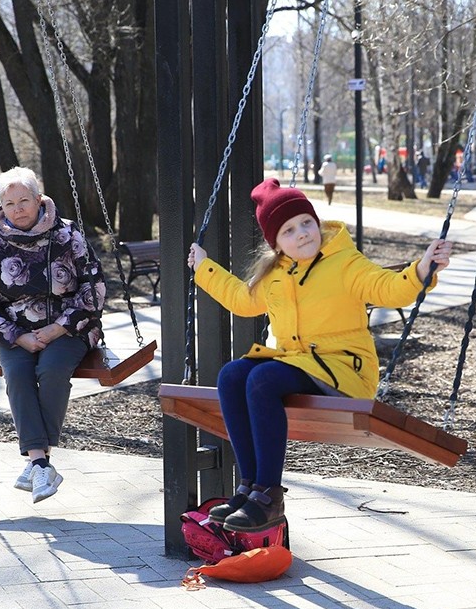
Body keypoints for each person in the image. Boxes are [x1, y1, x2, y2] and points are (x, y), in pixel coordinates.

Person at [186, 178, 451, 532]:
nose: (303, 234)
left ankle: (269, 495)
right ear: (276, 244)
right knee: (232, 375)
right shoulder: (275, 274)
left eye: (307, 223)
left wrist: (421, 270)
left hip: (343, 369)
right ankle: (249, 487)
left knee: (262, 378)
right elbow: (241, 300)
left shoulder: (345, 263)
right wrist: (204, 267)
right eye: (289, 230)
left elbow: (387, 287)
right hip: (301, 364)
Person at [0, 166, 106, 503]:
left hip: (69, 326)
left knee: (51, 370)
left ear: (38, 199)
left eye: (23, 201)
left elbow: (95, 290)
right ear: (1, 206)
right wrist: (18, 336)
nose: (17, 209)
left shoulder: (67, 236)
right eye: (9, 203)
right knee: (17, 373)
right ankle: (41, 463)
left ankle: (38, 463)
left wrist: (56, 327)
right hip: (16, 331)